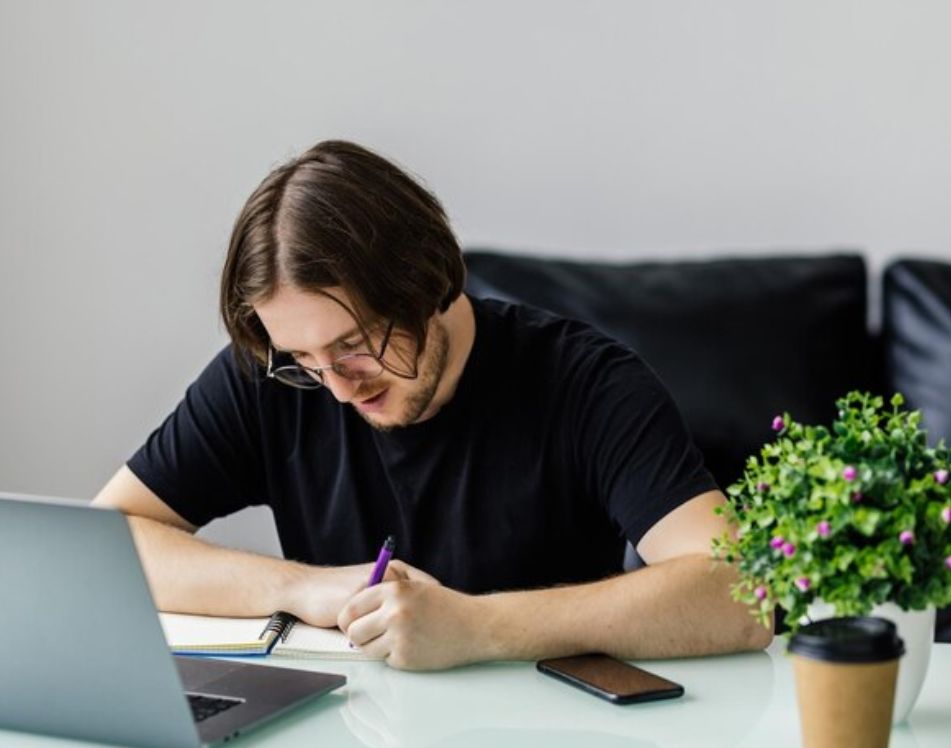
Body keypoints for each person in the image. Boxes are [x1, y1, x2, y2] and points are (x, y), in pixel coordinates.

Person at [95, 139, 772, 670]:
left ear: (426, 282)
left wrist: (478, 629)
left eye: (355, 345)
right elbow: (107, 540)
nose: (336, 386)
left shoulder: (588, 385)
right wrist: (301, 589)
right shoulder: (272, 378)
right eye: (303, 360)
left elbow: (740, 596)